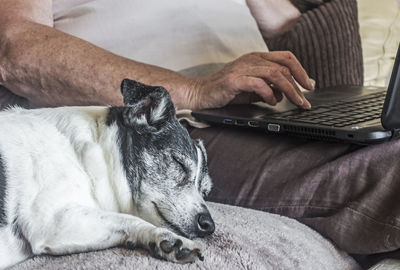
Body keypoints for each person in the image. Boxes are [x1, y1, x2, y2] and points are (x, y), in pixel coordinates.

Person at [0, 0, 394, 266]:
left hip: (268, 109)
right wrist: (194, 91)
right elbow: (16, 50)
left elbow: (289, 25)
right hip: (172, 129)